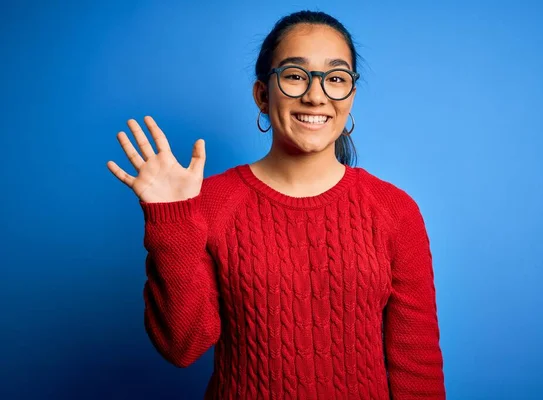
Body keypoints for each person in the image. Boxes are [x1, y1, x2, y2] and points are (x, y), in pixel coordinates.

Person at [107, 10, 445, 400]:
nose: (316, 95)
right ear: (262, 95)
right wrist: (171, 221)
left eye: (336, 78)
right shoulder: (211, 203)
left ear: (351, 96)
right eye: (295, 75)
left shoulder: (395, 210)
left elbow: (416, 365)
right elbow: (182, 346)